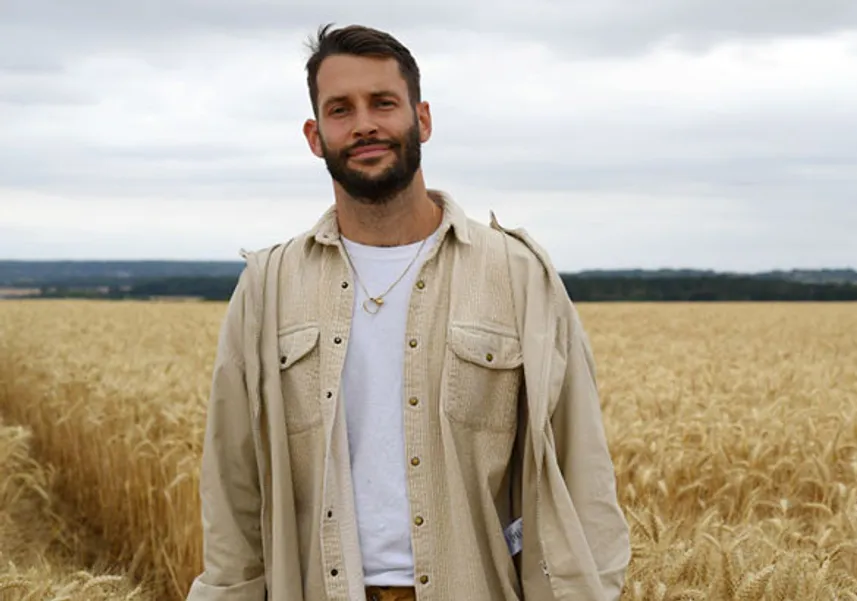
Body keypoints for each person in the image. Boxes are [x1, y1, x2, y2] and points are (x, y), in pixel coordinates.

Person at [186, 23, 631, 601]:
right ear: (315, 135)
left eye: (383, 103)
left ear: (421, 119)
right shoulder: (269, 287)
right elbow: (232, 484)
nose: (365, 124)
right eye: (340, 109)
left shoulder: (517, 277)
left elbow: (581, 470)